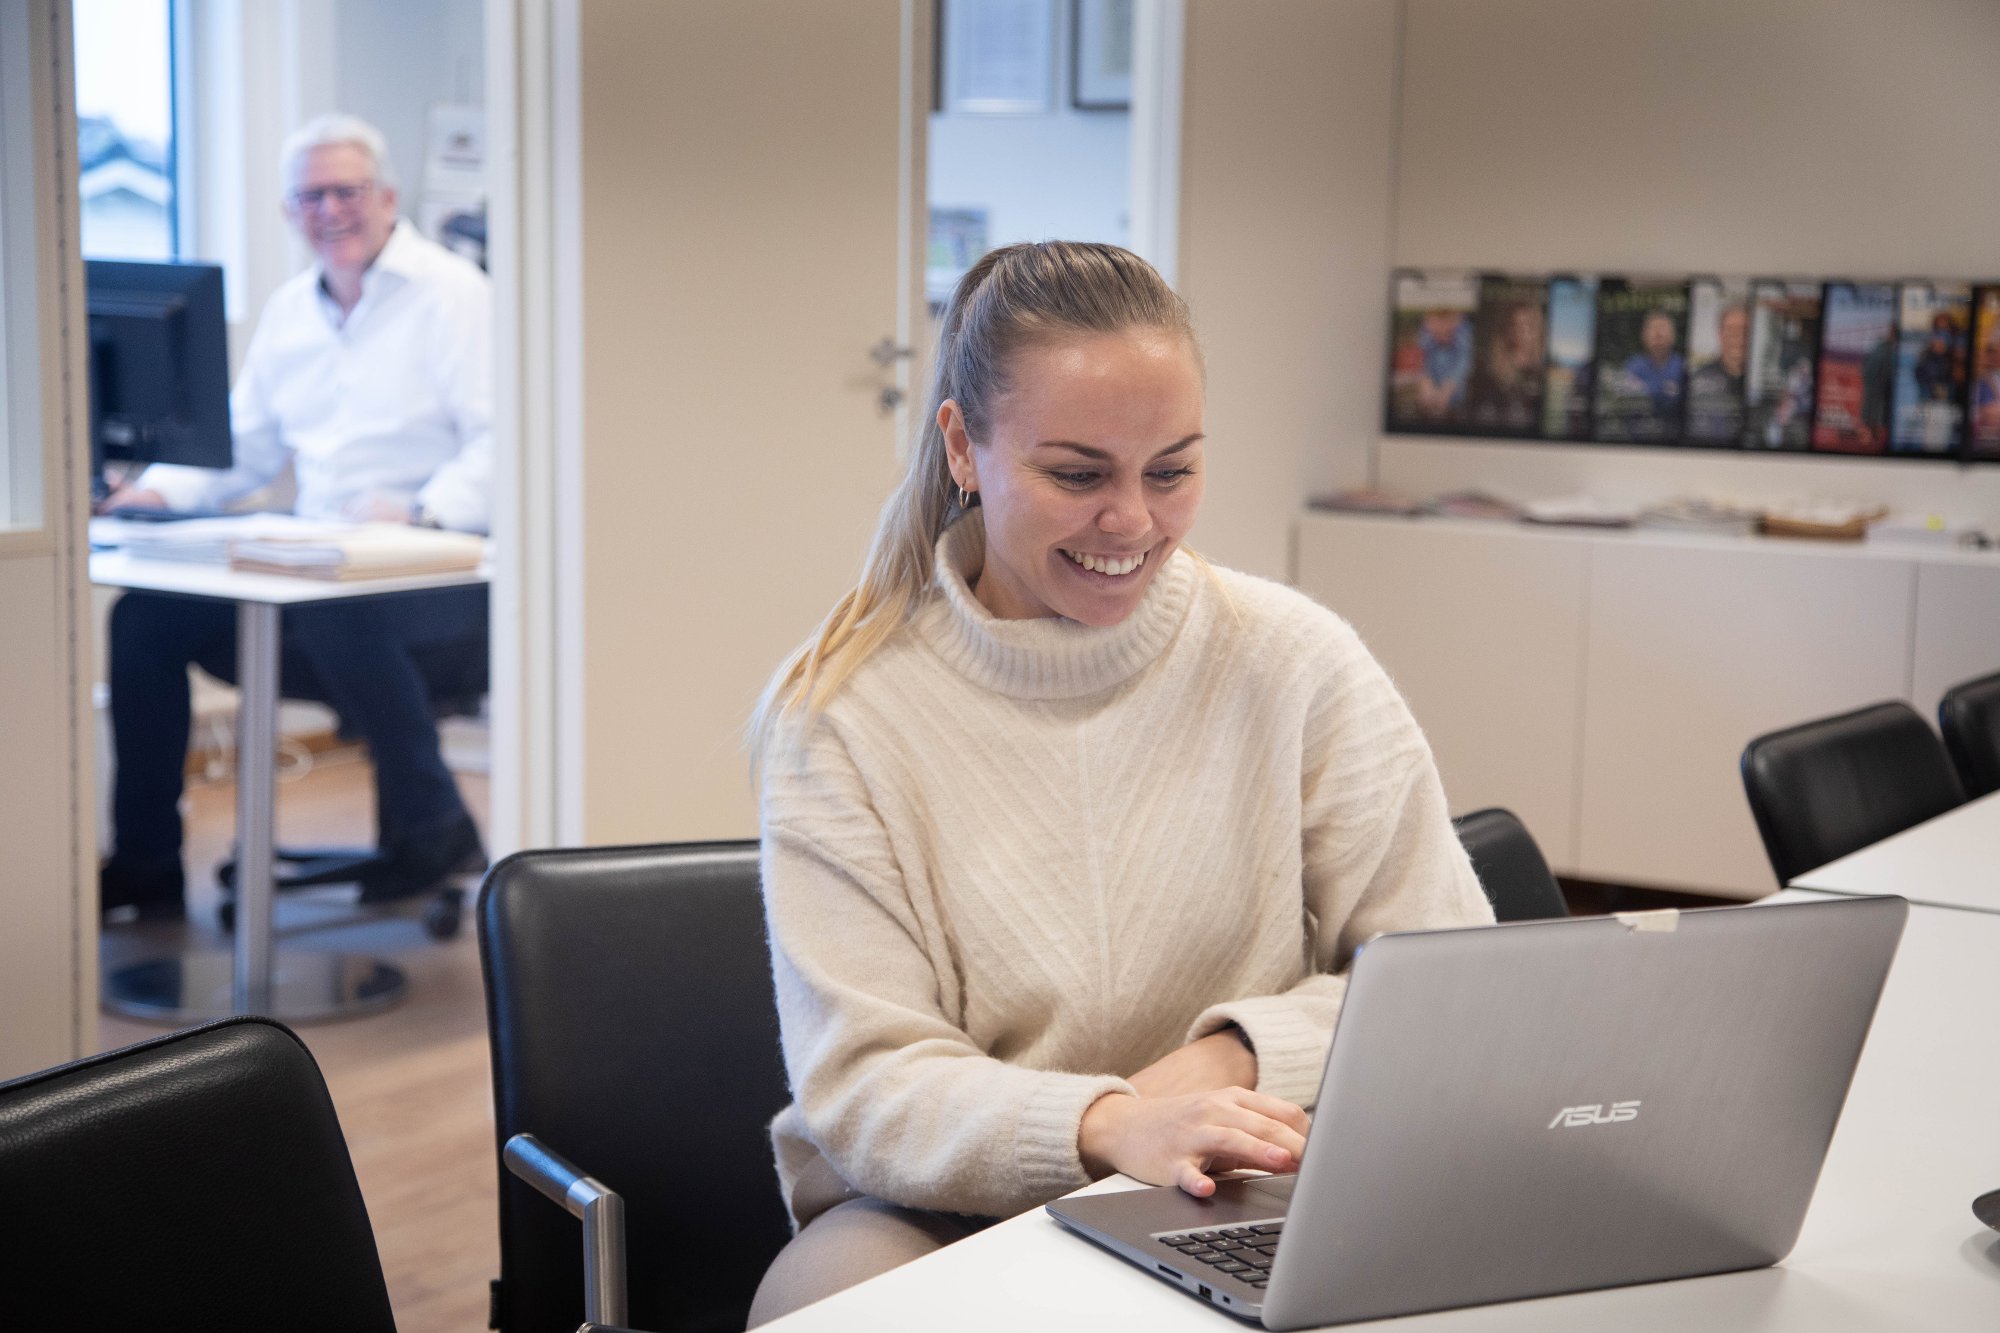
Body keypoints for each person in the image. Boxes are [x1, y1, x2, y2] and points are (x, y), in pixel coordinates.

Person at [744, 241, 1493, 1324]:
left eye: (1171, 471)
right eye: (1078, 474)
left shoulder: (1293, 658)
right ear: (961, 446)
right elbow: (869, 1086)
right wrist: (1106, 1123)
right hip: (946, 1205)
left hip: (1250, 1167)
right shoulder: (842, 715)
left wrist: (1230, 1062)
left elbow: (1446, 974)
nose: (1132, 521)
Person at [97, 113, 490, 920]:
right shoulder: (289, 312)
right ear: (288, 211)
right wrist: (156, 494)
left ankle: (436, 824)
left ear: (387, 197)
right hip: (324, 574)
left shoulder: (455, 295)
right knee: (142, 621)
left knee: (336, 601)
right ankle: (146, 863)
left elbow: (503, 442)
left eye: (347, 191)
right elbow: (242, 447)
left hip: (445, 577)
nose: (329, 210)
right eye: (311, 196)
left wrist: (420, 510)